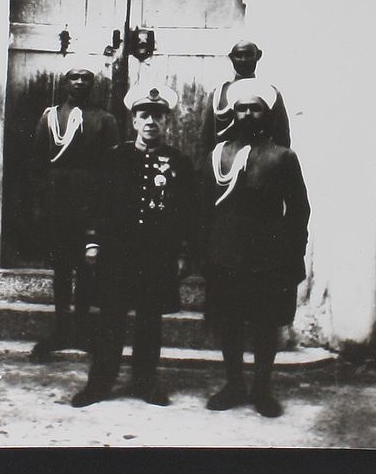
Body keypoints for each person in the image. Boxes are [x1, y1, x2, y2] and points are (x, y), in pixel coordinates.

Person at [70, 84, 196, 407]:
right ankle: (99, 384)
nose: (151, 121)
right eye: (144, 115)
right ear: (135, 122)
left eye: (157, 116)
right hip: (117, 255)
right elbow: (96, 204)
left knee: (150, 323)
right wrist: (92, 243)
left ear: (166, 122)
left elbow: (185, 213)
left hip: (156, 256)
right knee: (110, 321)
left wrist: (182, 253)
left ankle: (144, 383)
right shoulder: (114, 158)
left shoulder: (178, 162)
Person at [201, 79, 310, 417]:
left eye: (255, 108)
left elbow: (299, 209)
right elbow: (203, 208)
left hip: (268, 257)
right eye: (241, 108)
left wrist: (293, 254)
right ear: (233, 113)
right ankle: (234, 385)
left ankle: (262, 389)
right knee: (229, 323)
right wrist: (202, 253)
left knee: (265, 326)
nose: (248, 114)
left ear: (266, 114)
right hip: (225, 254)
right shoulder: (218, 154)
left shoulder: (283, 157)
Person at [29, 60, 118, 361]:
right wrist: (41, 205)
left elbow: (111, 170)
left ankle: (82, 331)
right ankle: (60, 330)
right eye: (74, 77)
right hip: (57, 205)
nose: (80, 82)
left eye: (86, 78)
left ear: (92, 84)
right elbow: (39, 165)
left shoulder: (104, 120)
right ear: (65, 81)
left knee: (88, 268)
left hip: (90, 204)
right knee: (61, 269)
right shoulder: (49, 118)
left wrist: (103, 210)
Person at [201, 40, 291, 155]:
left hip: (262, 162)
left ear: (258, 56)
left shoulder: (270, 93)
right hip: (226, 161)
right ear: (231, 58)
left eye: (248, 55)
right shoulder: (219, 94)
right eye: (238, 55)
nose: (243, 60)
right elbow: (206, 139)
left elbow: (282, 138)